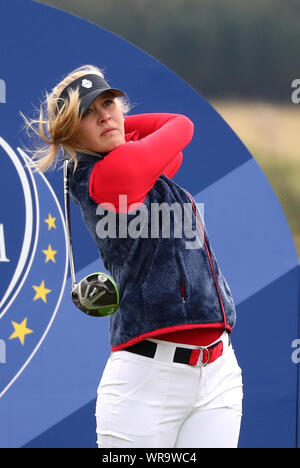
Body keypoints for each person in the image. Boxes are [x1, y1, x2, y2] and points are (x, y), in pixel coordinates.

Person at [24, 64, 243, 448]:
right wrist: (108, 127)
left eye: (109, 103)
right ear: (73, 131)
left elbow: (166, 144)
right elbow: (181, 125)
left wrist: (112, 125)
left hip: (218, 374)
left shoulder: (138, 169)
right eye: (88, 113)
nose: (104, 114)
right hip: (146, 385)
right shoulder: (111, 174)